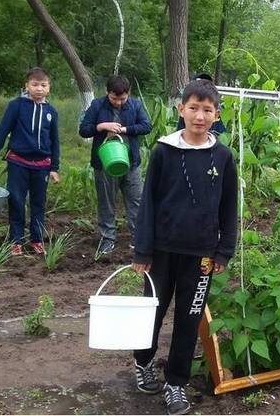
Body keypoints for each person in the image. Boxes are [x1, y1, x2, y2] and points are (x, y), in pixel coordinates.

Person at [131, 79, 238, 415]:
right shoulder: (163, 151)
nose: (200, 116)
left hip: (202, 256)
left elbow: (229, 207)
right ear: (181, 110)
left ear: (217, 114)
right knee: (152, 312)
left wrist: (223, 251)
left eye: (207, 110)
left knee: (189, 320)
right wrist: (142, 251)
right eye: (193, 108)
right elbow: (147, 202)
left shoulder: (222, 157)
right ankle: (143, 362)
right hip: (161, 252)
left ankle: (176, 383)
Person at [0, 67, 60, 255]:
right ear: (26, 86)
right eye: (35, 85)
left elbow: (55, 141)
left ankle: (37, 240)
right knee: (16, 201)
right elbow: (2, 131)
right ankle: (16, 241)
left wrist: (54, 167)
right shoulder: (16, 106)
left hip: (42, 165)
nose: (39, 89)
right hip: (18, 162)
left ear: (49, 87)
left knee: (39, 203)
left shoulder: (51, 111)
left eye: (43, 85)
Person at [79, 75, 152, 257]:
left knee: (136, 201)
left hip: (131, 162)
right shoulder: (97, 105)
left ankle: (139, 240)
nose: (118, 102)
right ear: (107, 93)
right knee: (106, 202)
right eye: (114, 98)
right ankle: (107, 239)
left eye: (122, 99)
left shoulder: (135, 105)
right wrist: (102, 126)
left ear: (128, 94)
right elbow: (84, 129)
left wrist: (125, 129)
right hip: (105, 163)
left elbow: (146, 126)